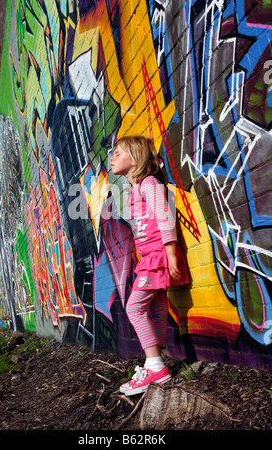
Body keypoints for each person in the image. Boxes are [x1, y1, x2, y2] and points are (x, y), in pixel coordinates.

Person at [110, 136, 190, 396]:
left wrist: (170, 252)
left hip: (158, 256)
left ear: (134, 158)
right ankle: (153, 362)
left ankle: (156, 366)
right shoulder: (137, 190)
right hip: (150, 259)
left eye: (117, 152)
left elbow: (165, 216)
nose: (112, 157)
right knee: (155, 310)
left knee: (134, 307)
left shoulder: (150, 184)